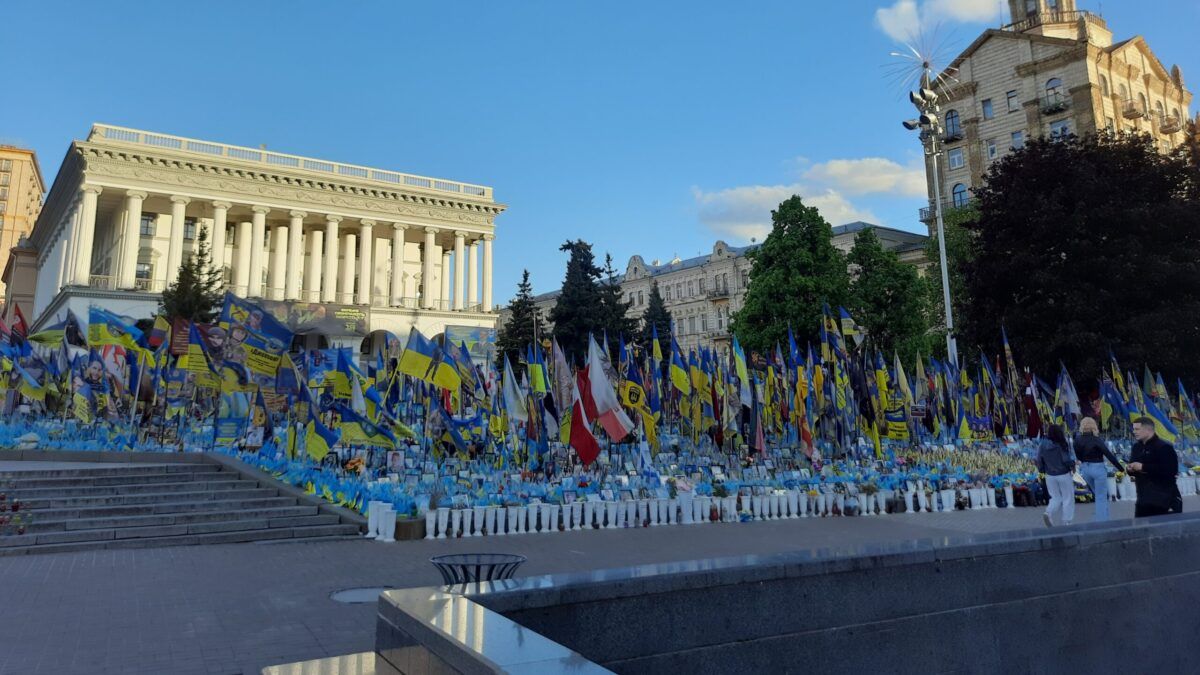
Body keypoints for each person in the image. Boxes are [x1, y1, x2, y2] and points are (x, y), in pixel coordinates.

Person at [1127, 416, 1182, 518]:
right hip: (1143, 501)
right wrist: (1130, 469)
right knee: (1141, 531)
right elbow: (1133, 467)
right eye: (1133, 429)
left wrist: (1143, 467)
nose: (1134, 432)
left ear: (1149, 430)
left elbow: (1170, 471)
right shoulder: (1136, 447)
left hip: (1165, 500)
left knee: (1166, 533)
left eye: (1137, 429)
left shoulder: (1164, 447)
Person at [1074, 417, 1124, 521]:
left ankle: (1104, 517)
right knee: (1101, 496)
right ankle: (1101, 520)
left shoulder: (1077, 440)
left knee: (1097, 494)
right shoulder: (1096, 439)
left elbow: (1078, 456)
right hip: (1097, 467)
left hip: (1085, 469)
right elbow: (1108, 454)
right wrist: (1121, 468)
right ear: (1094, 426)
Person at [1037, 424, 1075, 527]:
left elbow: (1039, 459)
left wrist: (1041, 469)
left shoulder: (1043, 444)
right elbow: (1066, 459)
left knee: (1055, 498)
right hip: (1063, 474)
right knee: (1068, 498)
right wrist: (1073, 464)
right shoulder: (1061, 444)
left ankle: (1048, 512)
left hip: (1050, 475)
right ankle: (1066, 521)